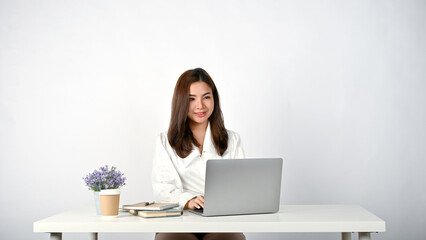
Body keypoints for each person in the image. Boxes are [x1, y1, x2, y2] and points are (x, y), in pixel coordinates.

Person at [152, 68, 246, 240]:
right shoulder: (166, 140)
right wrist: (189, 200)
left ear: (214, 99)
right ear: (181, 102)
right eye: (191, 99)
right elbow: (163, 189)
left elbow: (240, 187)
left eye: (206, 97)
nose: (200, 106)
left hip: (221, 222)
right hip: (179, 221)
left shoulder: (232, 140)